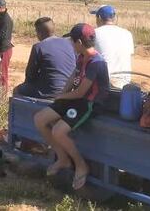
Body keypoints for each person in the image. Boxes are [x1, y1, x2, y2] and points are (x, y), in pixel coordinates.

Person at [33, 23, 110, 190]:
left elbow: (82, 93)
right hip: (76, 99)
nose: (70, 44)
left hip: (90, 103)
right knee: (40, 119)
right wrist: (62, 94)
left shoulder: (97, 62)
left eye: (72, 41)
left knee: (58, 131)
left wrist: (61, 96)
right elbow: (73, 78)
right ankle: (63, 159)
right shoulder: (82, 56)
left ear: (80, 43)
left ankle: (81, 165)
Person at [14, 17, 76, 98]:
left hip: (49, 92)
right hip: (68, 90)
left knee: (17, 90)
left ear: (39, 33)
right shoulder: (70, 43)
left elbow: (30, 75)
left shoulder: (39, 47)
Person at [90, 5, 134, 88]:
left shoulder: (94, 33)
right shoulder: (127, 34)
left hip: (104, 83)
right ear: (114, 18)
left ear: (99, 17)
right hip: (125, 82)